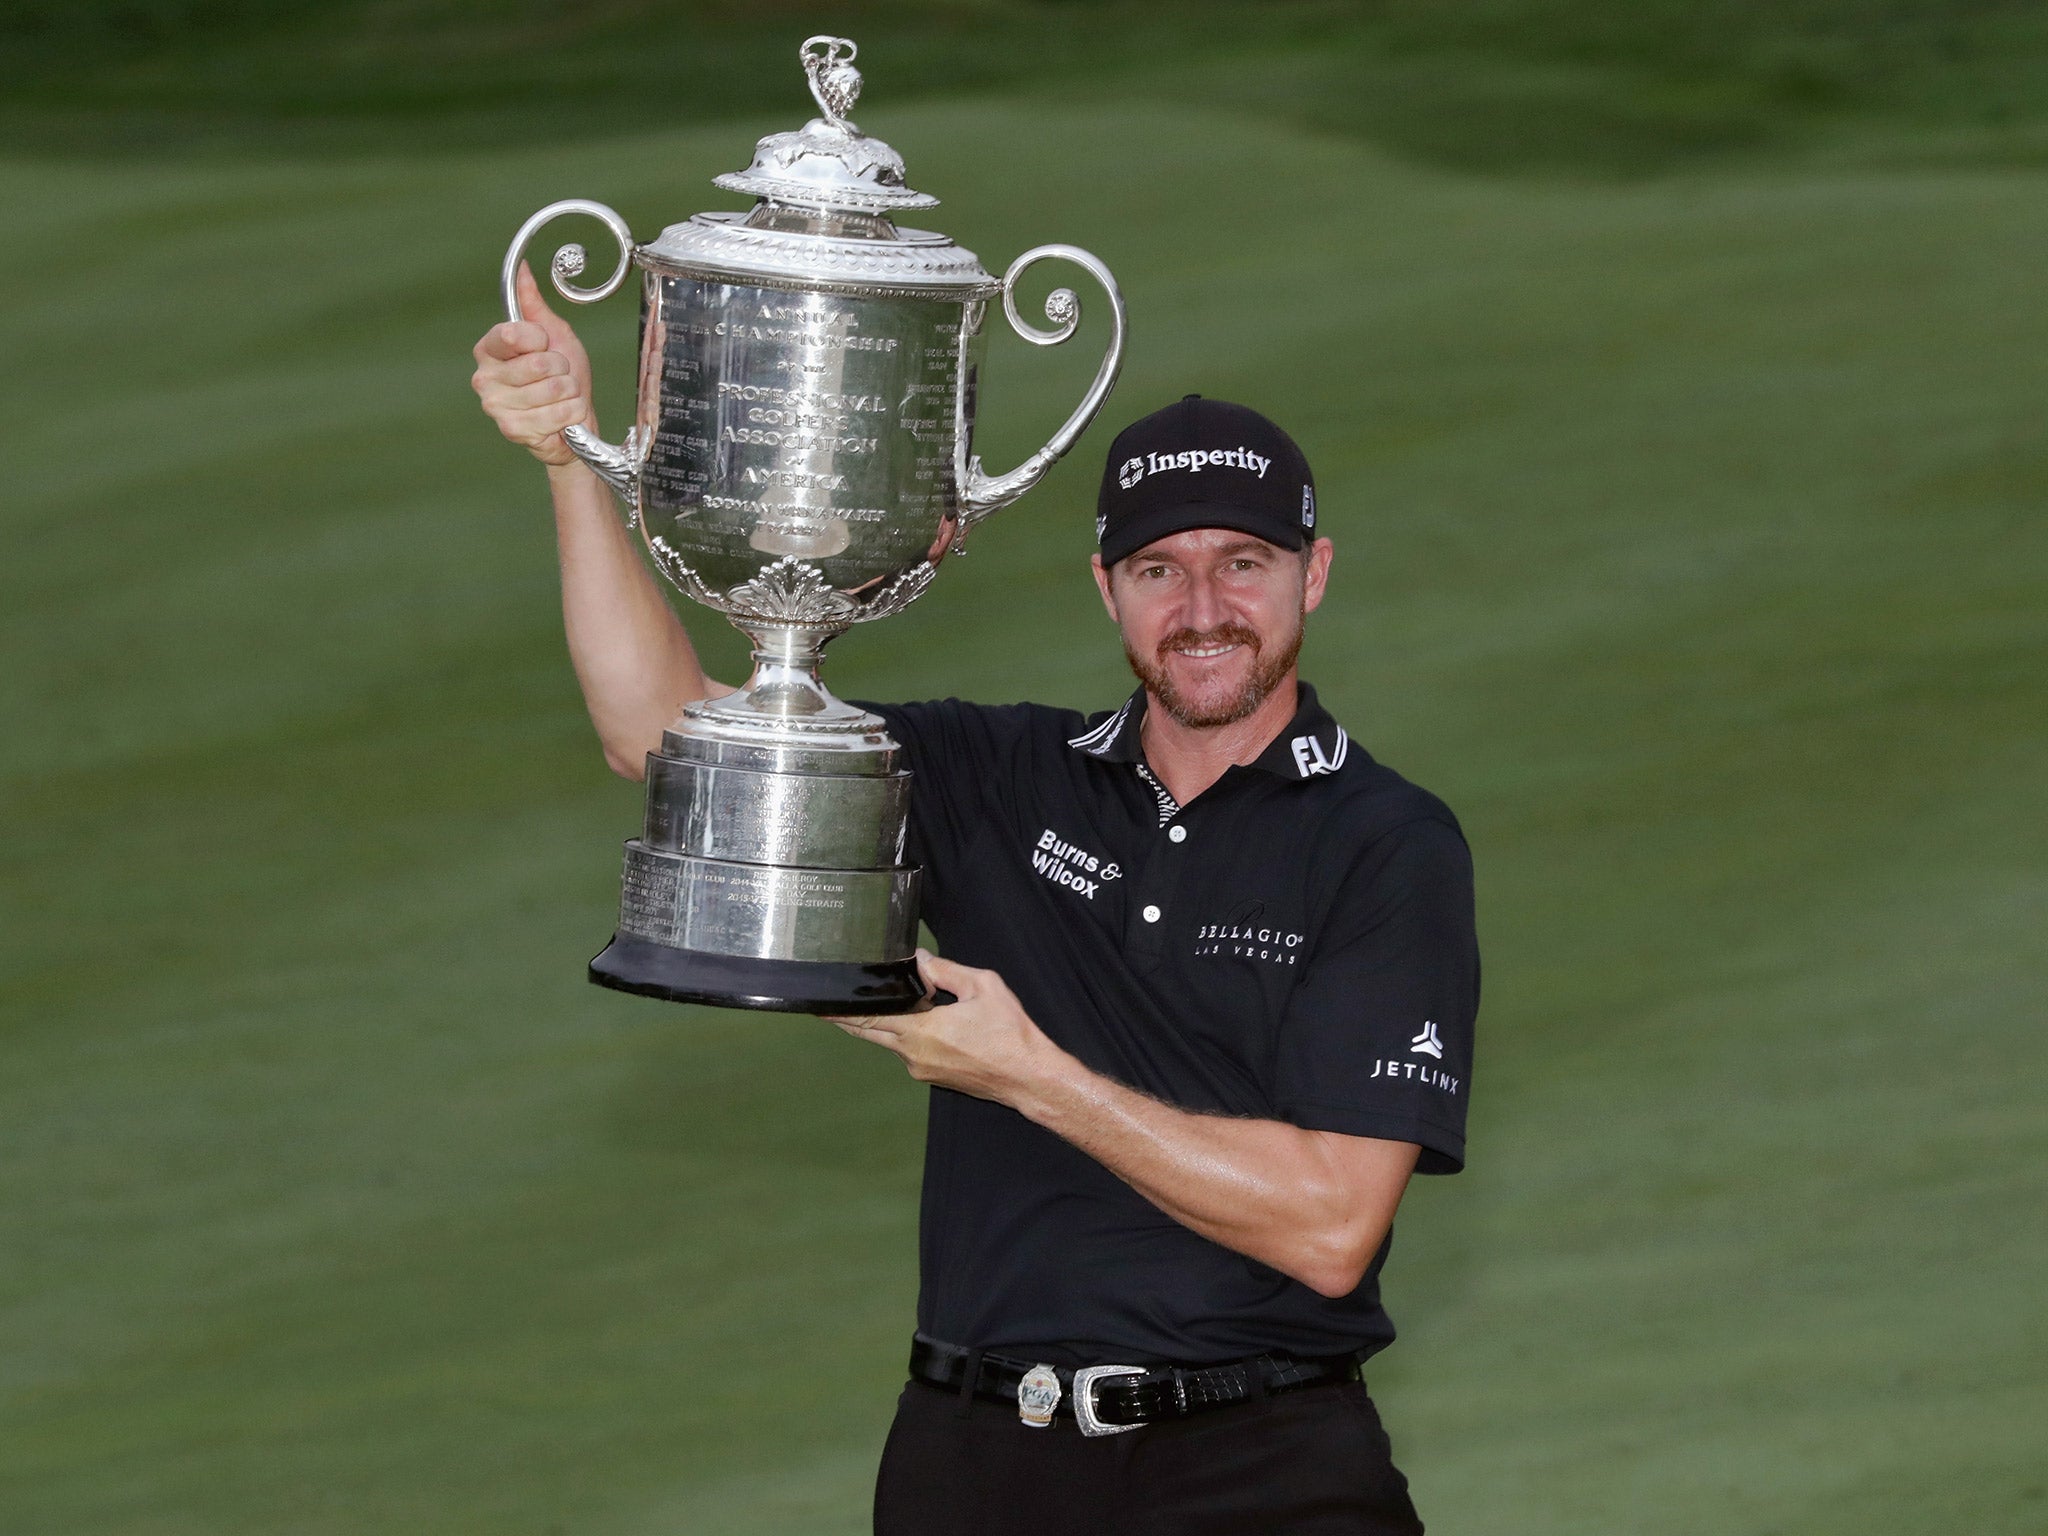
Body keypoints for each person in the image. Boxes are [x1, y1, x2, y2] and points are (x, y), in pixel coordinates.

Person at [473, 267, 1479, 1536]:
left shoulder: (1384, 844)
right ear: (1103, 587)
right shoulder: (995, 774)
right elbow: (656, 734)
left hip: (1265, 1467)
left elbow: (1332, 1227)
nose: (1205, 609)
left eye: (1244, 563)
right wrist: (571, 461)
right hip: (976, 1461)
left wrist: (1027, 1072)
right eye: (1159, 570)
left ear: (1311, 576)